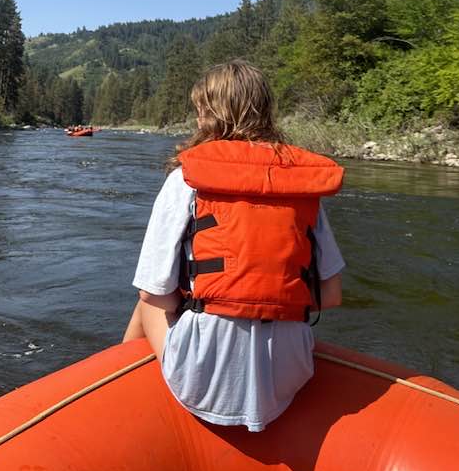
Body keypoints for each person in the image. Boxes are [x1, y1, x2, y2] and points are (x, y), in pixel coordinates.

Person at [122, 59, 345, 432]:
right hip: (291, 372)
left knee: (149, 295)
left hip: (200, 375)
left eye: (199, 111)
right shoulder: (301, 185)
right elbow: (332, 294)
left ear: (210, 115)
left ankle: (116, 378)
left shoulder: (185, 179)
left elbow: (152, 296)